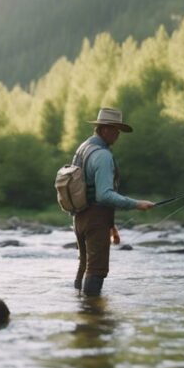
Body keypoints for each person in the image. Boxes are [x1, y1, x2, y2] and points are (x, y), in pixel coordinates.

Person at [72, 107, 155, 296]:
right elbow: (104, 195)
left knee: (84, 265)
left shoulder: (83, 148)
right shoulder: (103, 156)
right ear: (105, 129)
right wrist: (136, 204)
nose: (118, 134)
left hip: (79, 217)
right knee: (96, 269)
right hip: (95, 219)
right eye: (116, 129)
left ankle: (80, 309)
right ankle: (93, 316)